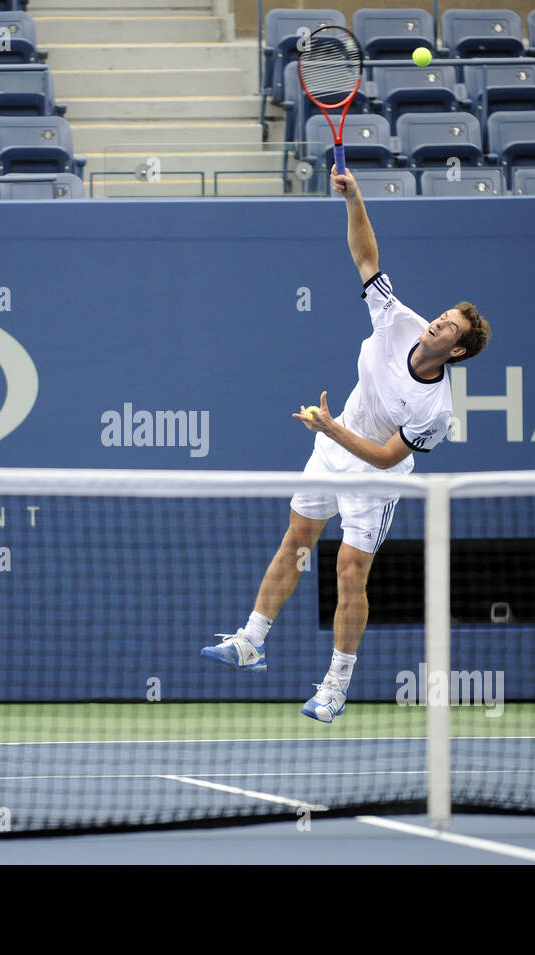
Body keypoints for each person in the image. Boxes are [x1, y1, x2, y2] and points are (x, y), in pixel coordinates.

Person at [202, 169, 491, 722]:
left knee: (350, 572)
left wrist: (332, 428)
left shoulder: (436, 411)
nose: (435, 324)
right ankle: (251, 640)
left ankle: (335, 686)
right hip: (331, 444)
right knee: (297, 541)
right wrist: (354, 197)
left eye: (448, 328)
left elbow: (386, 457)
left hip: (373, 477)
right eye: (441, 318)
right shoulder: (398, 320)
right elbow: (366, 258)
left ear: (456, 352)